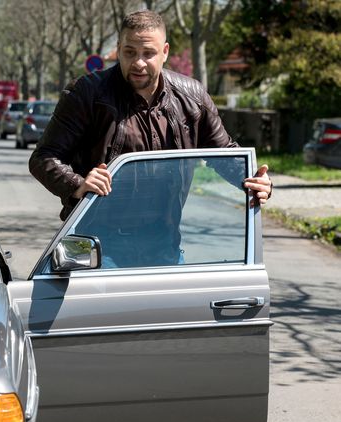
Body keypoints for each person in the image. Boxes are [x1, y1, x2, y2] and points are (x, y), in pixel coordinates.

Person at [29, 9, 273, 267]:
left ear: (165, 51)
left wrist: (257, 181)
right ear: (119, 48)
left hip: (164, 247)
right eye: (130, 52)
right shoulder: (85, 94)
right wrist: (77, 183)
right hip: (94, 247)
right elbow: (43, 158)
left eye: (148, 53)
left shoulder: (192, 97)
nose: (138, 63)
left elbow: (225, 154)